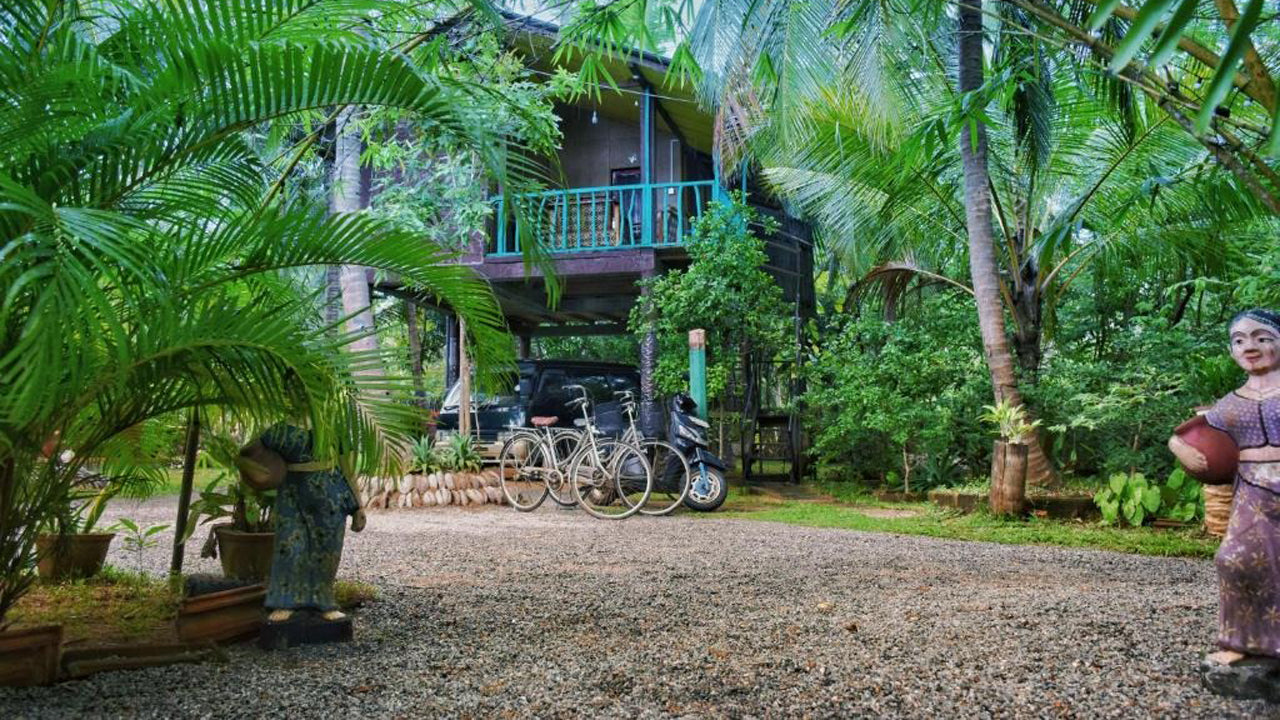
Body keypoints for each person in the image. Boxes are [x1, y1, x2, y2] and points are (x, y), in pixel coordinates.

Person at [1169, 309, 1280, 665]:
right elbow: (1186, 433)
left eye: (1262, 338)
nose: (1250, 347)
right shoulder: (1232, 401)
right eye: (1239, 340)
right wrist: (1181, 450)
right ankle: (1242, 640)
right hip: (1252, 488)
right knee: (1234, 559)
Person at [244, 423, 366, 623]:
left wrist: (358, 506)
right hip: (292, 495)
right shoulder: (279, 429)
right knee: (290, 547)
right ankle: (285, 602)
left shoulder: (333, 426)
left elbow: (347, 466)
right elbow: (251, 452)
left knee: (326, 550)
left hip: (330, 494)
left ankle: (323, 602)